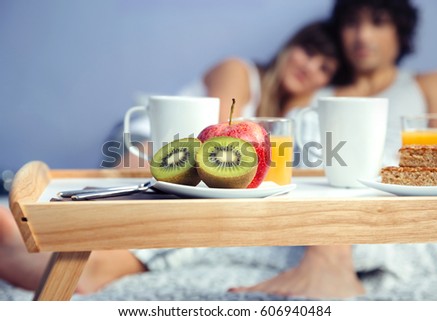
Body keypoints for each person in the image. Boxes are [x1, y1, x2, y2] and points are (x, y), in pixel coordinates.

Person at [0, 21, 342, 296]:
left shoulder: (283, 120)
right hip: (154, 142)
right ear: (289, 48)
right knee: (164, 194)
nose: (310, 67)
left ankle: (95, 265)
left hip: (195, 165)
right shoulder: (239, 71)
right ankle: (51, 229)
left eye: (324, 68)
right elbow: (214, 136)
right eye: (307, 52)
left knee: (195, 220)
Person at [228, 0, 437, 298]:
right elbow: (289, 165)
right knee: (319, 142)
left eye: (377, 22)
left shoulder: (429, 84)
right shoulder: (312, 95)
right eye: (351, 24)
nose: (362, 36)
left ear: (400, 32)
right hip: (313, 216)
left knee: (373, 152)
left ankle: (328, 262)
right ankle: (327, 255)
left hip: (393, 207)